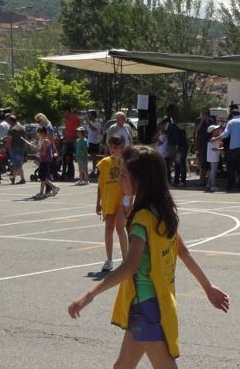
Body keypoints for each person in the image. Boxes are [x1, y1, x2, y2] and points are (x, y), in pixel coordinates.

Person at [67, 145, 230, 369]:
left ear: (140, 180)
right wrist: (207, 287)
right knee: (122, 367)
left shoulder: (142, 217)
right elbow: (183, 251)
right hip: (150, 303)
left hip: (147, 307)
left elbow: (130, 265)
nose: (119, 180)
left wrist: (89, 294)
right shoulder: (160, 211)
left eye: (123, 175)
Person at [97, 135, 128, 272]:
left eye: (116, 147)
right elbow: (100, 184)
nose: (113, 149)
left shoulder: (126, 162)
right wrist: (98, 202)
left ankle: (125, 259)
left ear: (122, 147)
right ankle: (109, 260)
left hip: (122, 200)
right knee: (109, 228)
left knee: (121, 228)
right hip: (109, 200)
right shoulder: (104, 163)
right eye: (111, 147)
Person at [28, 127, 60, 199]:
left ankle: (54, 187)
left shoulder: (46, 141)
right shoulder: (42, 141)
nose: (37, 135)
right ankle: (42, 192)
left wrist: (35, 148)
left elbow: (43, 152)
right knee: (42, 177)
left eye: (38, 133)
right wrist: (33, 147)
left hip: (45, 161)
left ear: (42, 133)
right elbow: (40, 151)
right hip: (43, 160)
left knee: (42, 177)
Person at [5, 116, 27, 184]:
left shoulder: (12, 129)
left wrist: (5, 148)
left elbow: (9, 140)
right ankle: (13, 177)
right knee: (16, 164)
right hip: (22, 147)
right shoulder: (22, 128)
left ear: (11, 121)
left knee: (17, 164)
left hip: (14, 147)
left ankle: (23, 179)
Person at [62, 106, 81, 181]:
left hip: (73, 141)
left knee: (70, 158)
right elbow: (66, 130)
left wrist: (74, 139)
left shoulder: (75, 119)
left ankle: (71, 174)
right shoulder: (67, 120)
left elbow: (77, 130)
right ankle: (67, 173)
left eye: (65, 112)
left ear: (68, 111)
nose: (64, 114)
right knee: (66, 157)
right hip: (67, 141)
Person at [205, 125, 223, 192]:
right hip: (213, 157)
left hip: (214, 157)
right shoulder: (212, 138)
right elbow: (214, 147)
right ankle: (213, 185)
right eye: (216, 129)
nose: (217, 130)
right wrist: (221, 148)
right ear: (212, 131)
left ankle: (209, 184)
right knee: (213, 172)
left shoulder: (215, 138)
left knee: (212, 171)